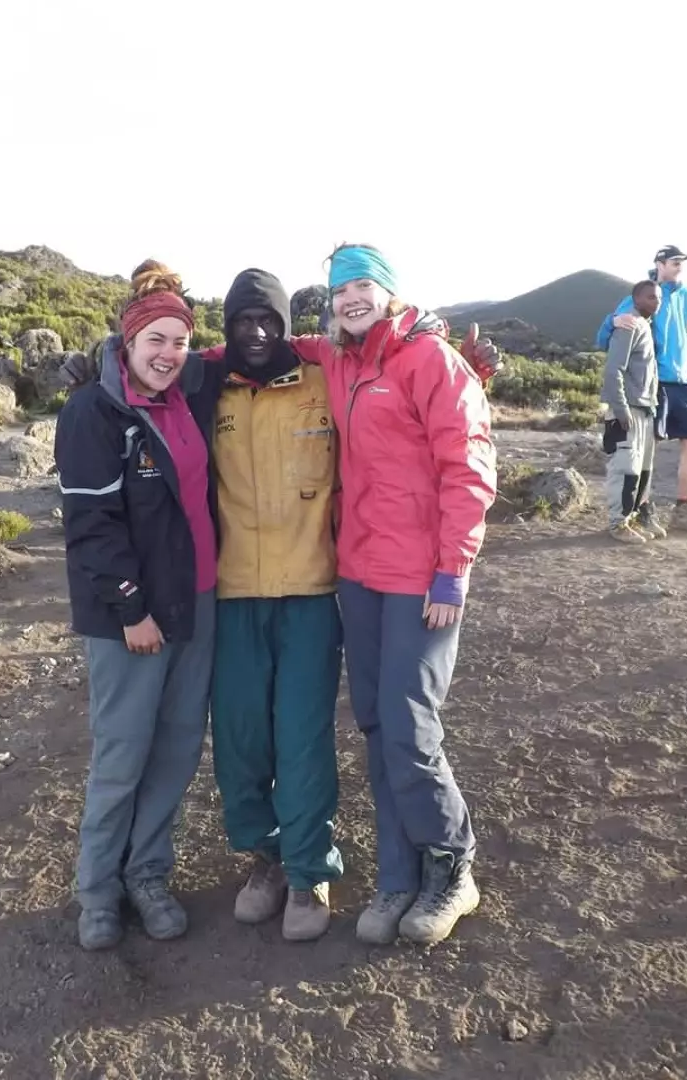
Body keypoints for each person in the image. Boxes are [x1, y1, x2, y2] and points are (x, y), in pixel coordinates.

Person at [316, 243, 497, 947]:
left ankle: (454, 864)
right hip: (359, 573)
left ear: (389, 291)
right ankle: (398, 874)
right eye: (339, 290)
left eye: (363, 284)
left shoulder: (431, 362)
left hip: (422, 580)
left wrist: (453, 570)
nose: (351, 298)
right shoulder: (340, 361)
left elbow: (469, 467)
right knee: (374, 722)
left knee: (410, 726)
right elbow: (274, 347)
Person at [54, 261, 224, 952]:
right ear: (126, 342)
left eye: (178, 342)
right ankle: (97, 890)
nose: (167, 354)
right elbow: (91, 527)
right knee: (124, 752)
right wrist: (130, 610)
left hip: (199, 603)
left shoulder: (190, 395)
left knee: (179, 748)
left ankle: (147, 872)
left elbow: (263, 346)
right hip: (132, 617)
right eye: (154, 339)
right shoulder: (94, 412)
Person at [207, 269, 344, 942]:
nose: (256, 333)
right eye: (242, 322)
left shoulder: (324, 381)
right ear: (227, 328)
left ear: (288, 327)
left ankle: (309, 867)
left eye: (268, 321)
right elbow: (148, 368)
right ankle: (265, 858)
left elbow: (387, 368)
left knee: (301, 736)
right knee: (239, 737)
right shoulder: (208, 388)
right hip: (233, 595)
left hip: (311, 592)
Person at [595, 245, 687, 535]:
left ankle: (683, 511)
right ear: (660, 264)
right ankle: (642, 510)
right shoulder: (641, 297)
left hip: (682, 384)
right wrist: (611, 322)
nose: (680, 266)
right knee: (646, 448)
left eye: (682, 262)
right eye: (675, 262)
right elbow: (610, 335)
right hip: (653, 383)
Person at [601, 280, 662, 544]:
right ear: (636, 299)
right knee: (626, 468)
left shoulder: (645, 326)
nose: (656, 302)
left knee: (642, 470)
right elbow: (613, 370)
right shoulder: (629, 325)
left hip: (646, 408)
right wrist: (620, 408)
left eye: (658, 298)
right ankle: (618, 524)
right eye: (650, 297)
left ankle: (632, 517)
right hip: (629, 409)